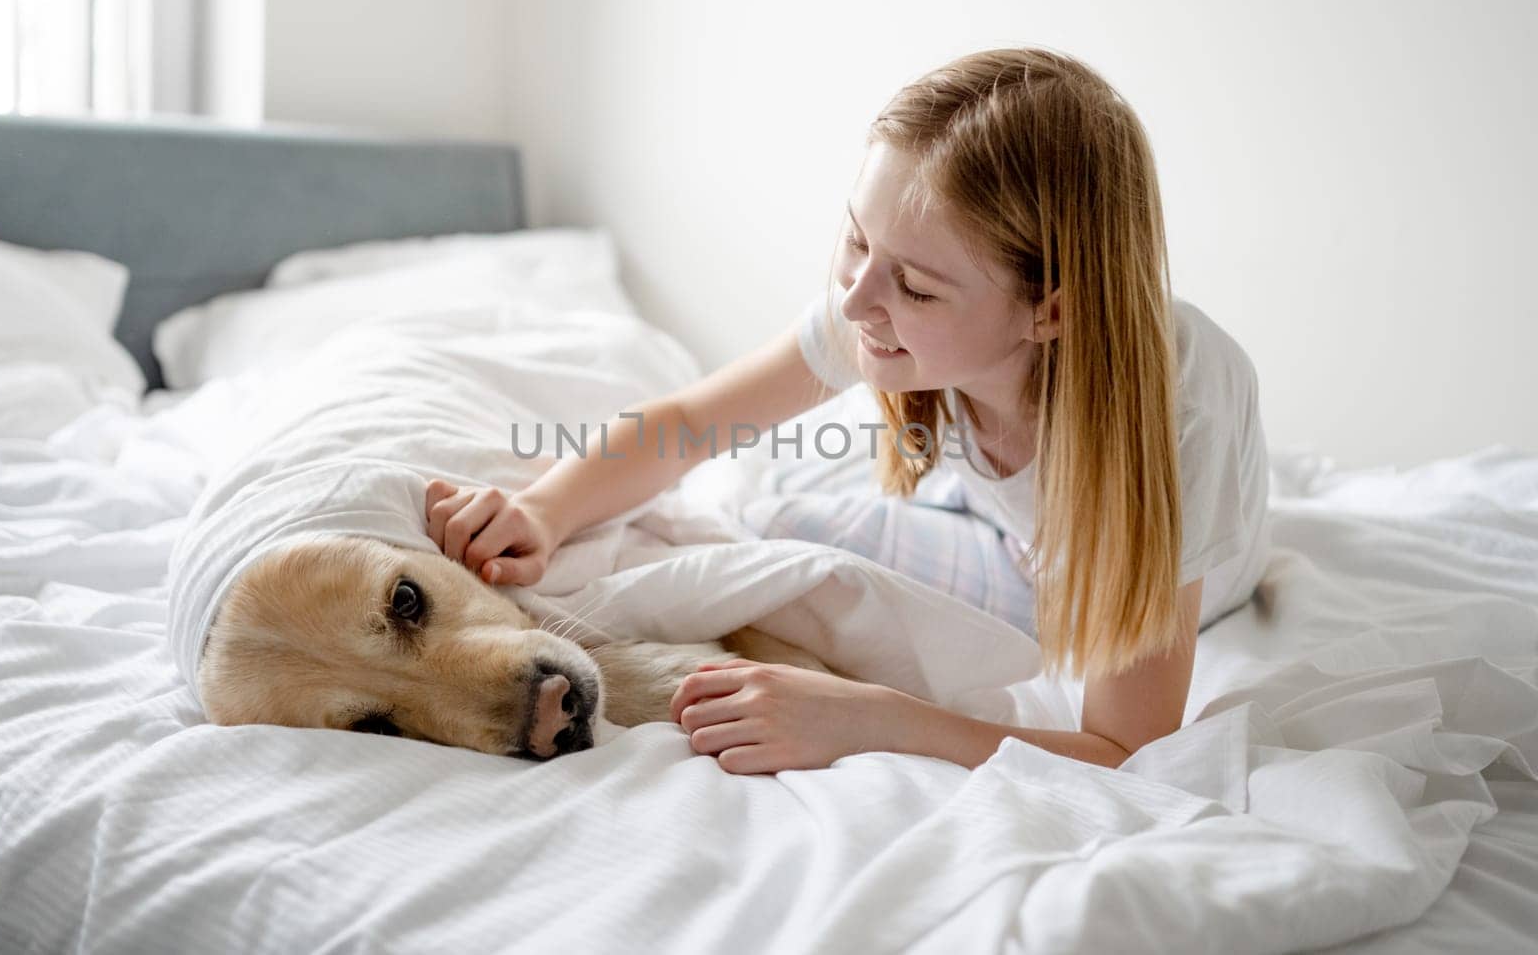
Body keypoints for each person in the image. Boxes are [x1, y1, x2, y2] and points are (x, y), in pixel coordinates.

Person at [424, 47, 1271, 775]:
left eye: (916, 286)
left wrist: (865, 717)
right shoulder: (881, 298)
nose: (857, 296)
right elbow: (691, 424)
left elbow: (1123, 747)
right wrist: (546, 507)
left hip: (1130, 573)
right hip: (1009, 534)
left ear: (1051, 309)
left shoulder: (1171, 418)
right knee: (764, 527)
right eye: (859, 240)